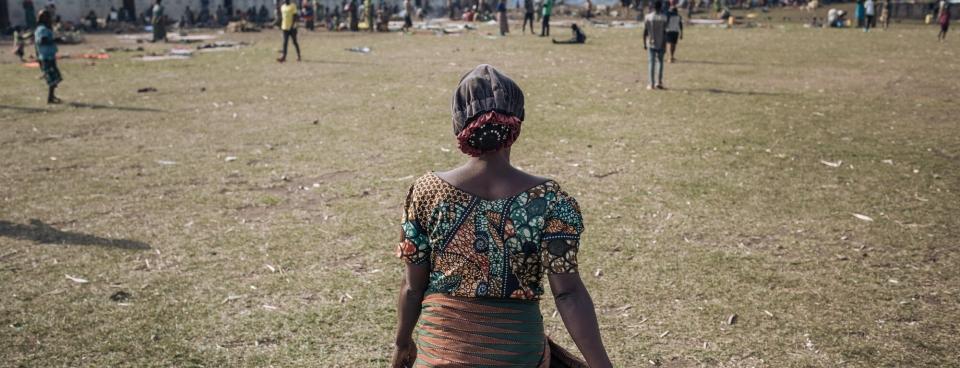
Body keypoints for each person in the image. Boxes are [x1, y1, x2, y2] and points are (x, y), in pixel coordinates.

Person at [389, 64, 614, 368]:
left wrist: (403, 342)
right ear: (517, 124)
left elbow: (413, 286)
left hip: (440, 353)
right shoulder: (549, 200)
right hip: (518, 354)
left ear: (459, 126)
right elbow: (568, 295)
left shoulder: (427, 192)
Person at [34, 10, 62, 104]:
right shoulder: (42, 29)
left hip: (49, 56)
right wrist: (54, 40)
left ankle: (52, 96)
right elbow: (42, 41)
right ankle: (50, 98)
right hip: (46, 57)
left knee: (54, 77)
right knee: (52, 78)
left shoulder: (42, 28)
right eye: (48, 17)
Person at [643, 0, 668, 90]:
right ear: (661, 7)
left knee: (651, 63)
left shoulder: (648, 17)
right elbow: (665, 32)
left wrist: (644, 43)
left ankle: (651, 84)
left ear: (653, 7)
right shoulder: (664, 17)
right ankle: (659, 82)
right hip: (661, 42)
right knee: (660, 62)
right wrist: (665, 44)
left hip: (651, 42)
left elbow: (645, 31)